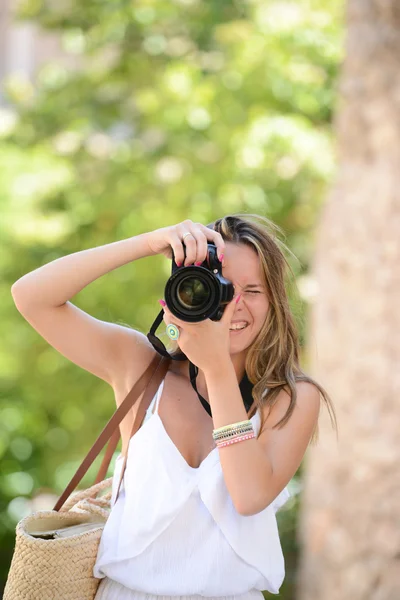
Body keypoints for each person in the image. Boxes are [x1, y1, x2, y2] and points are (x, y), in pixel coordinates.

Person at [11, 213, 337, 600]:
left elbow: (249, 496)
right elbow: (31, 296)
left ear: (275, 302)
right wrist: (149, 242)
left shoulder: (291, 397)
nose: (234, 305)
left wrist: (216, 369)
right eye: (222, 286)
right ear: (185, 291)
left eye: (253, 290)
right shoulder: (142, 366)